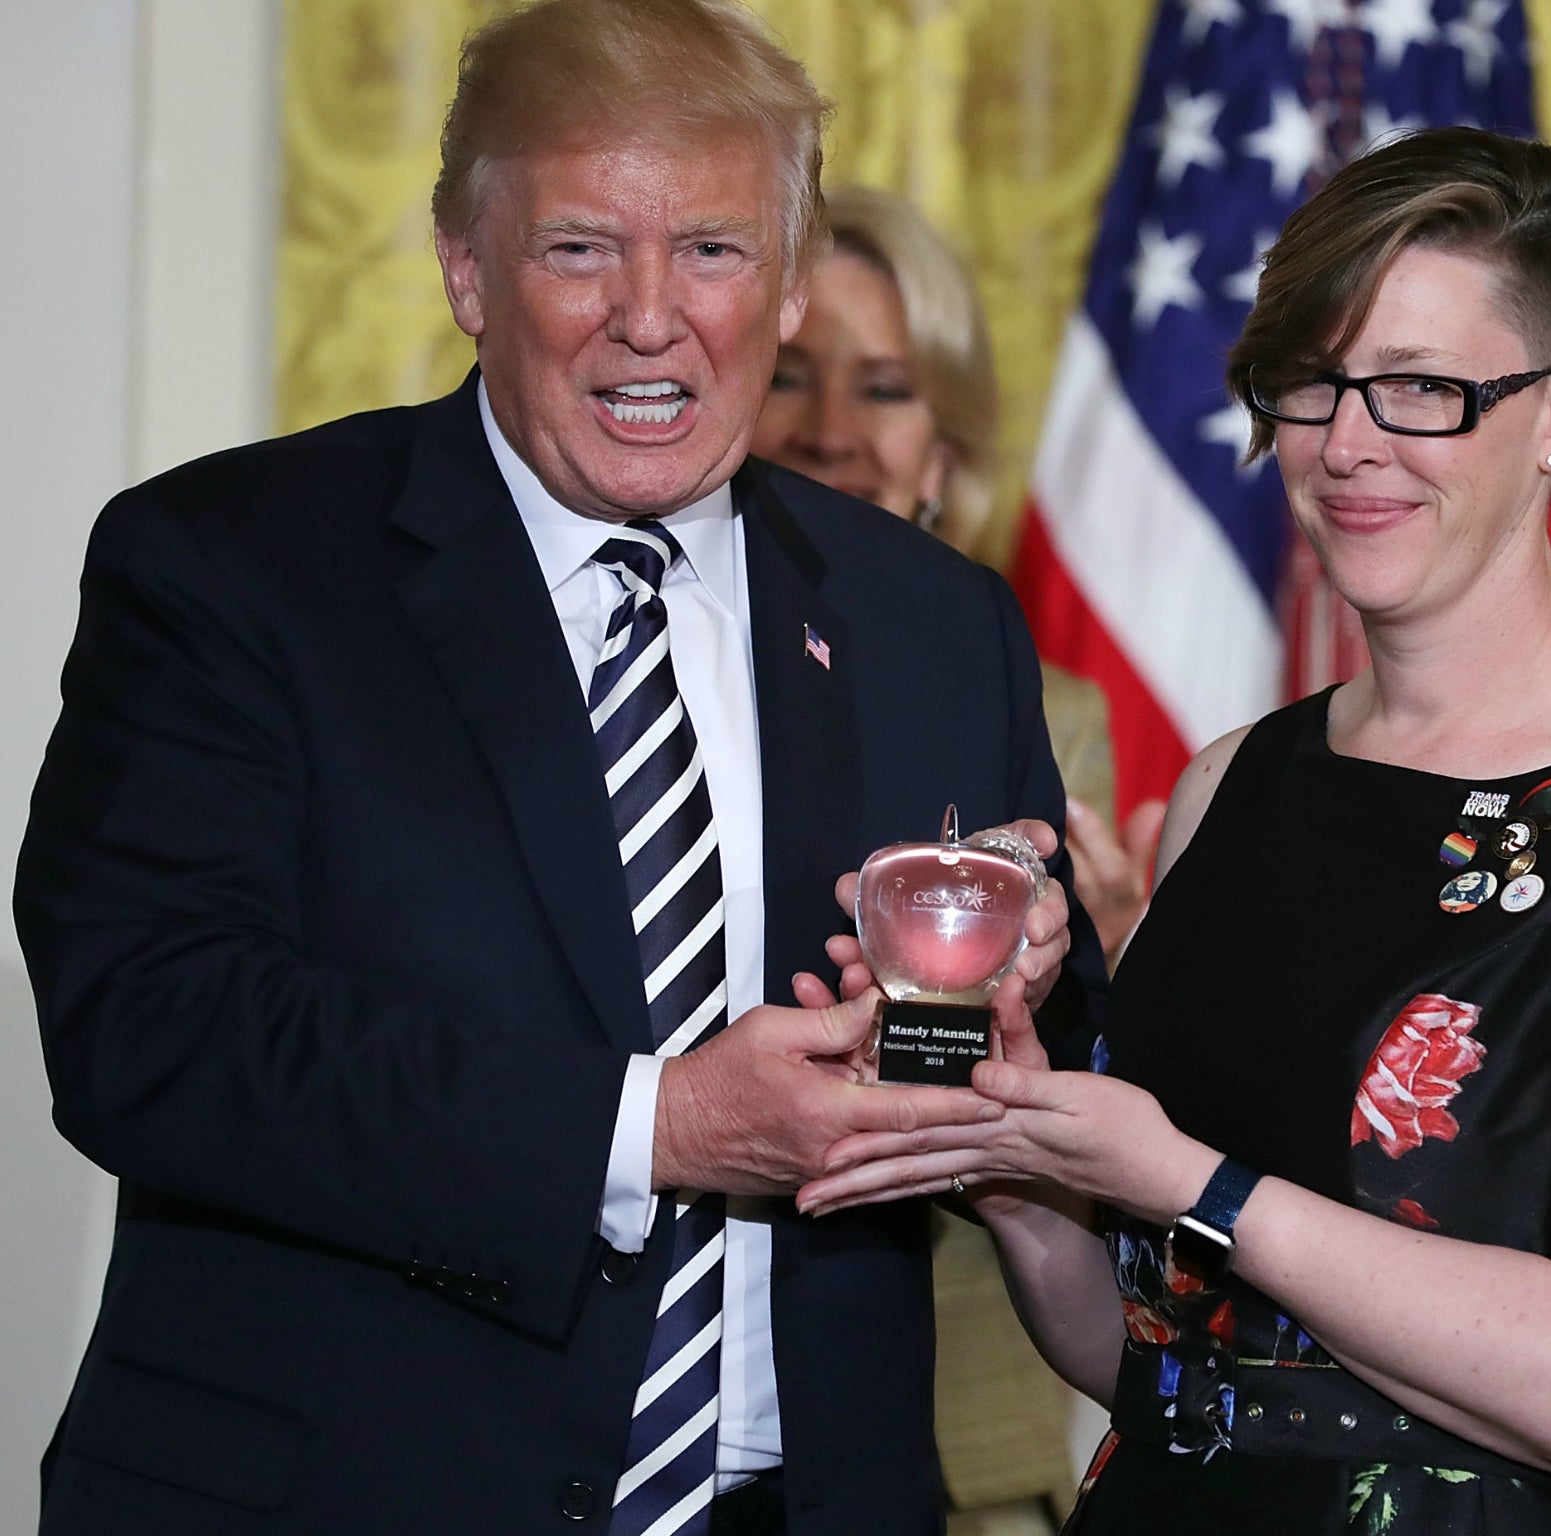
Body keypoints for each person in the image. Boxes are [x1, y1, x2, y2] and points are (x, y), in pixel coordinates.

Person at [15, 2, 1101, 1533]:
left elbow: (1054, 1079)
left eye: (715, 252)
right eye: (579, 248)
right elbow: (150, 1026)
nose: (649, 318)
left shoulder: (933, 623)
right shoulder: (232, 565)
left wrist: (1032, 963)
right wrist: (655, 1129)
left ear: (790, 286)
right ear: (468, 268)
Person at [796, 127, 1551, 1535]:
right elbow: (1161, 1366)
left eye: (1421, 391)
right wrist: (1025, 1167)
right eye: (1311, 384)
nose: (1345, 446)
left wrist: (1183, 1178)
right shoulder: (1233, 782)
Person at [749, 184, 1164, 963]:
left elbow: (1054, 1048)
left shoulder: (1050, 719)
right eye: (787, 377)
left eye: (883, 390)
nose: (831, 433)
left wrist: (1097, 972)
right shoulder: (641, 655)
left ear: (943, 459)